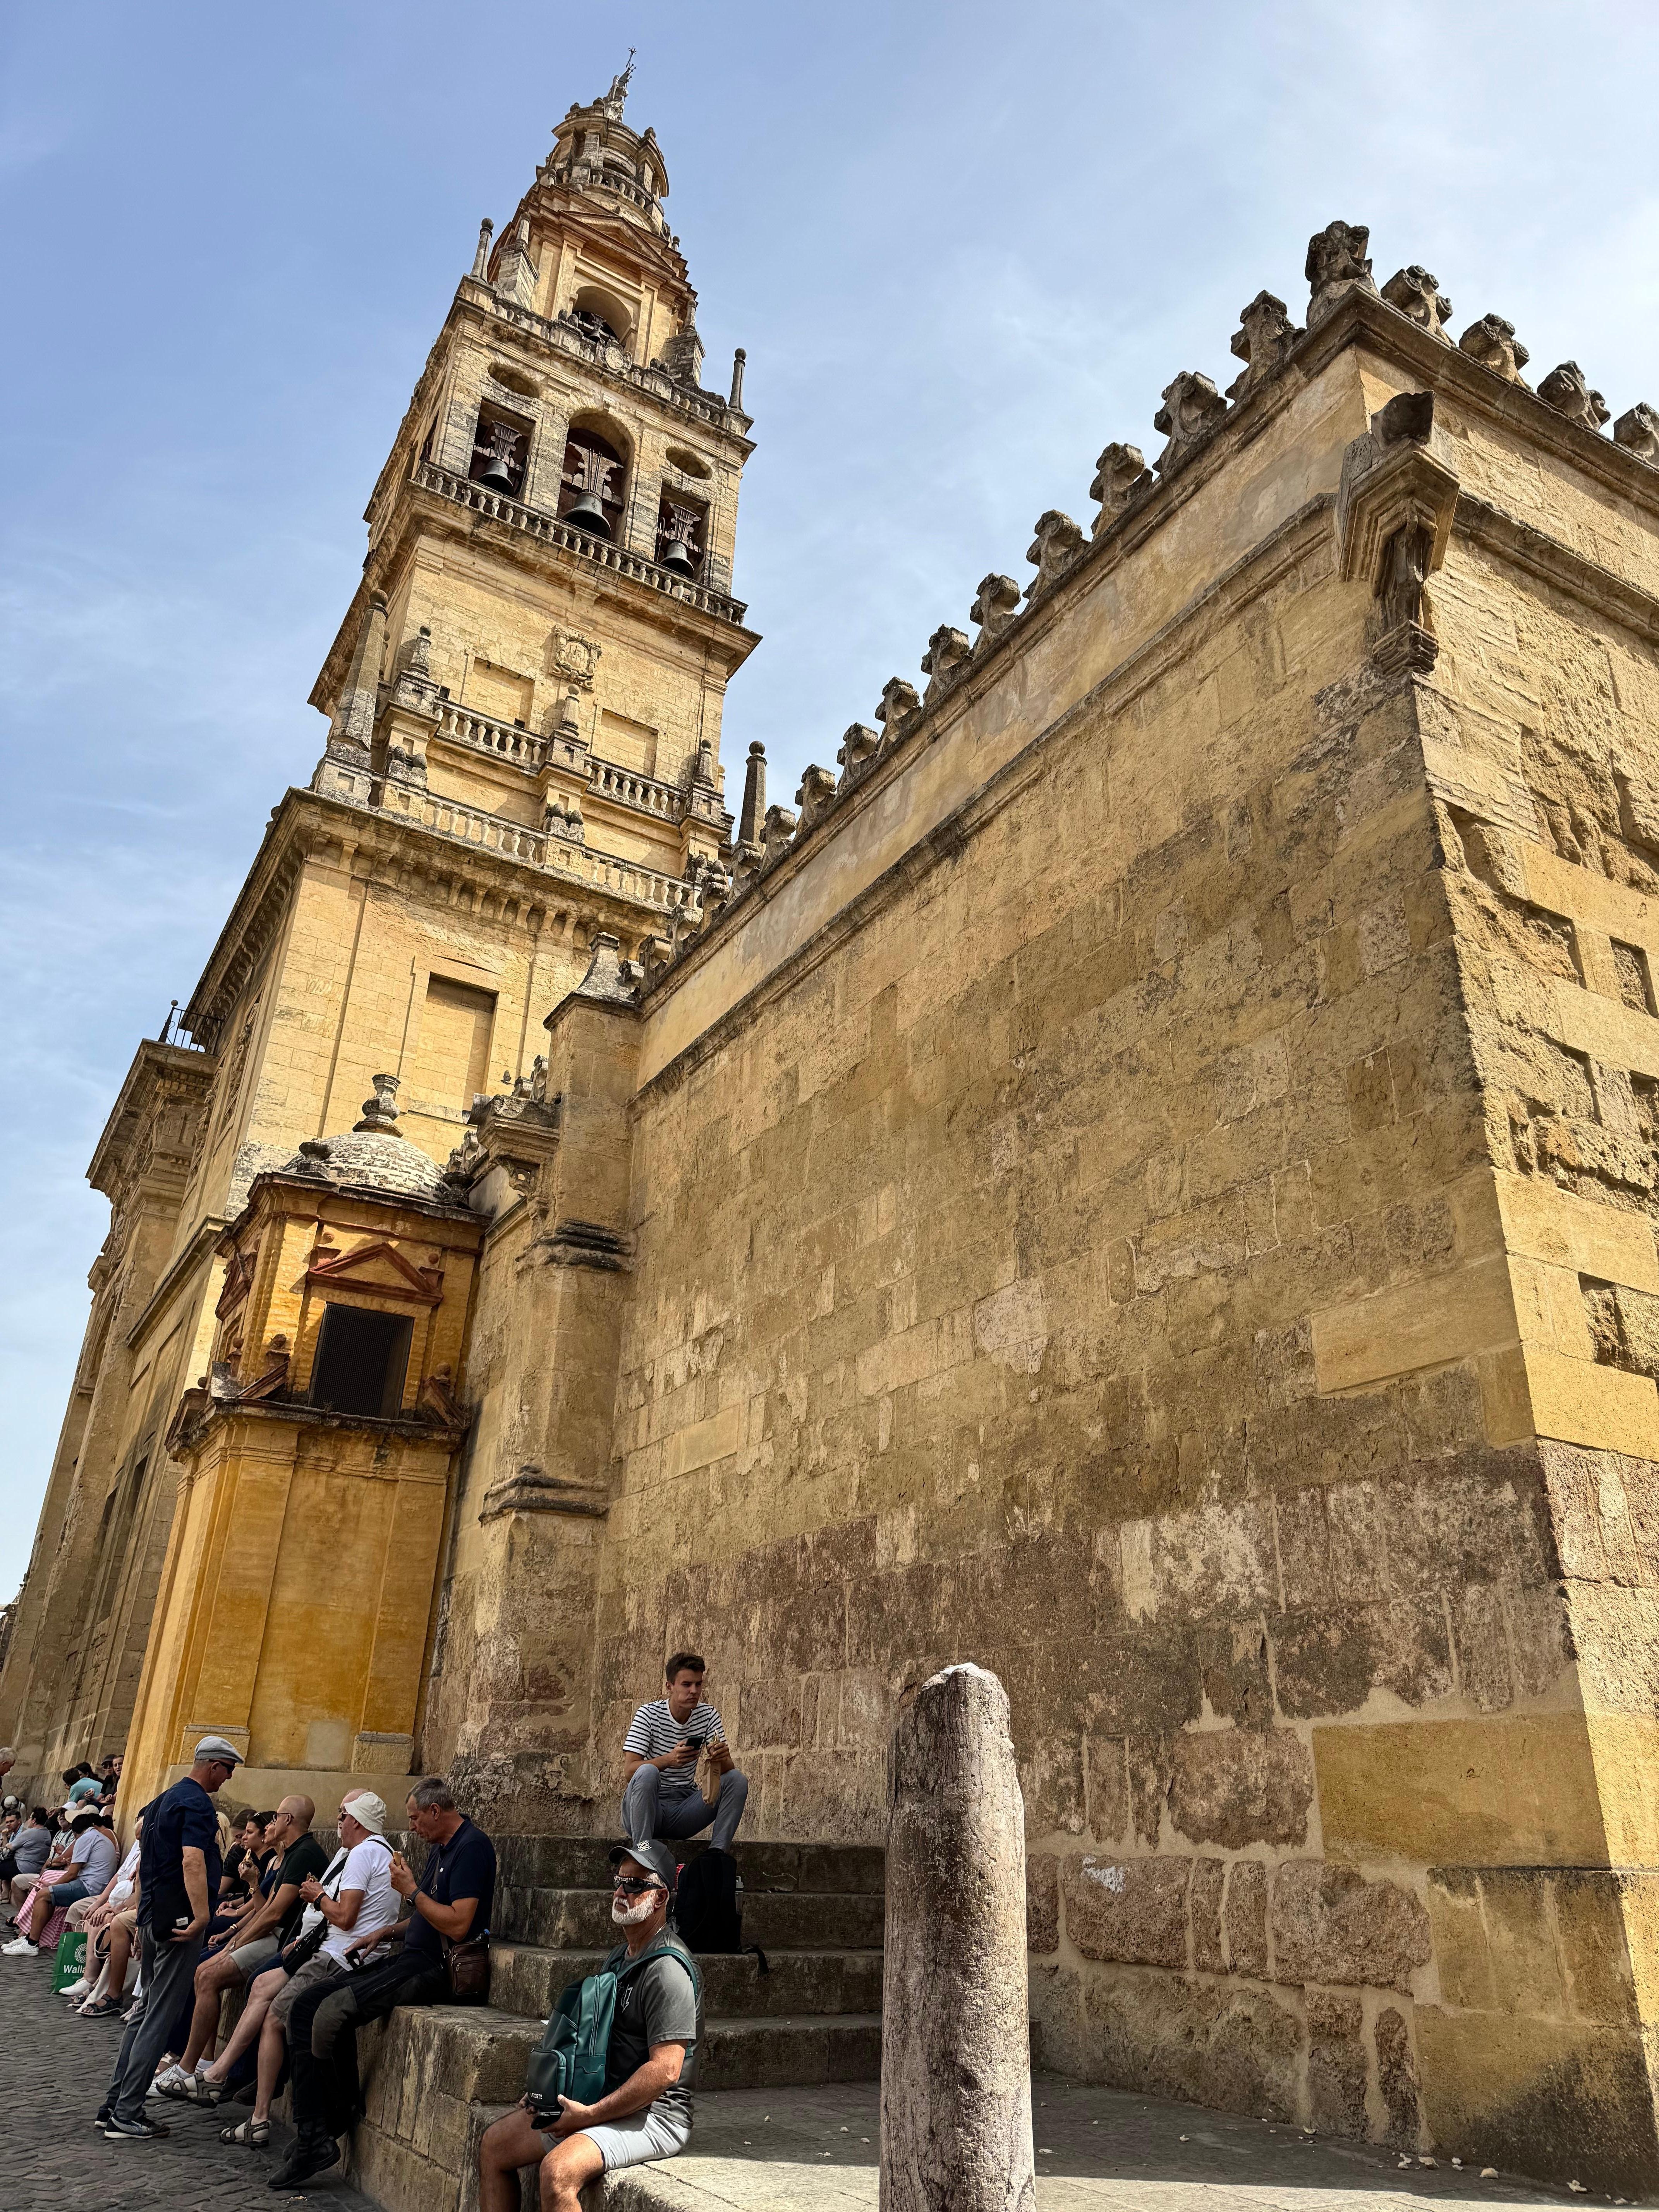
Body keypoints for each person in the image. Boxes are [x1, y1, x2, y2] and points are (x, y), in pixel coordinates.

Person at [266, 1777, 496, 2192]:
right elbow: (430, 1916)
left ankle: (320, 2130)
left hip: (435, 1970)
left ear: (435, 1812)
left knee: (331, 2012)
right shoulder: (442, 1848)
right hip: (410, 1955)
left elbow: (460, 1924)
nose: (411, 1828)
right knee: (304, 2007)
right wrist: (388, 1932)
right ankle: (322, 2126)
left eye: (414, 1819)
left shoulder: (473, 1848)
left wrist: (410, 1892)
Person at [478, 1841, 701, 2212]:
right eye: (619, 1881)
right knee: (495, 2145)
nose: (621, 1892)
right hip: (604, 2097)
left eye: (634, 1885)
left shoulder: (668, 1971)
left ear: (660, 1898)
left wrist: (591, 2116)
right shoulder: (619, 1958)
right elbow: (589, 2040)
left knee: (558, 2172)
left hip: (656, 2115)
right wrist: (548, 2093)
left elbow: (666, 2070)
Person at [211, 1789, 399, 2148]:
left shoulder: (363, 1854)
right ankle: (239, 2084)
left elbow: (345, 1916)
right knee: (264, 1988)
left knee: (276, 2017)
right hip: (327, 1947)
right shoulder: (374, 1852)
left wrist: (318, 1897)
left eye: (343, 1815)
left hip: (337, 1956)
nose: (338, 1821)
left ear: (357, 1821)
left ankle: (259, 2113)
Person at [96, 1732, 242, 2141]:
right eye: (227, 1771)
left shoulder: (163, 1799)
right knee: (158, 2018)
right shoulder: (197, 1803)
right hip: (178, 1922)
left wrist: (142, 1920)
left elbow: (149, 1862)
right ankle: (126, 2113)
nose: (226, 1779)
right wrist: (201, 1917)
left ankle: (113, 2106)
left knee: (144, 2013)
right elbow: (192, 1860)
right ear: (213, 1766)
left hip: (154, 1918)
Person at [155, 1795, 321, 2099]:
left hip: (283, 1940)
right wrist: (234, 1937)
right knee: (203, 1972)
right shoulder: (293, 1852)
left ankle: (188, 2069)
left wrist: (234, 1944)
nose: (272, 1823)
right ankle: (197, 2064)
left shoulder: (305, 1853)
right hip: (273, 1935)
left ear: (288, 1820)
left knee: (207, 1975)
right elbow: (266, 1907)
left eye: (277, 1817)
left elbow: (273, 1915)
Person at [621, 1652, 748, 1856]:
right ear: (670, 1687)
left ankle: (717, 1857)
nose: (694, 1691)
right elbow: (630, 1771)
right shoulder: (648, 1715)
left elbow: (727, 1772)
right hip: (646, 1809)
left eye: (699, 1685)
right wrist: (669, 1760)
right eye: (687, 1685)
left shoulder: (708, 1715)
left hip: (683, 1809)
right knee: (647, 1772)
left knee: (737, 1779)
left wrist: (721, 1757)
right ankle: (642, 1854)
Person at [4, 1805, 119, 1953]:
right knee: (50, 1895)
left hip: (89, 1887)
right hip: (95, 1885)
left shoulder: (85, 1839)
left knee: (44, 1895)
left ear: (75, 1832)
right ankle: (29, 1938)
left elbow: (72, 1874)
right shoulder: (98, 1837)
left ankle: (32, 1943)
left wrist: (51, 1886)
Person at [4, 1807, 53, 1912]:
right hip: (34, 1865)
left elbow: (10, 1847)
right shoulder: (47, 1833)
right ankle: (5, 1893)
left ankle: (22, 1913)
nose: (29, 1821)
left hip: (23, 1866)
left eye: (30, 1818)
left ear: (34, 1820)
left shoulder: (31, 1832)